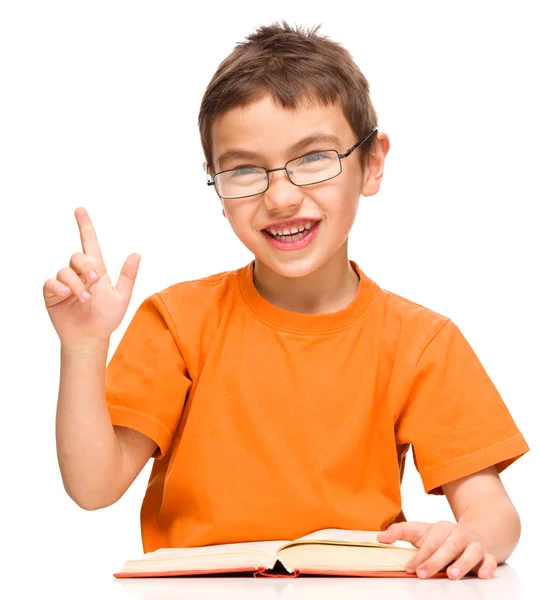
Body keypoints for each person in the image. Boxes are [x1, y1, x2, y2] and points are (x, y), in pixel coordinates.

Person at [45, 20, 529, 581]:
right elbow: (93, 486)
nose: (280, 195)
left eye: (314, 157)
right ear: (215, 184)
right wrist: (84, 347)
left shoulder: (421, 341)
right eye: (245, 169)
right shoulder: (176, 322)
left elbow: (494, 512)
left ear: (371, 163)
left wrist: (470, 536)